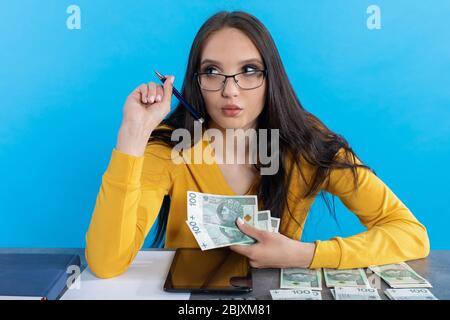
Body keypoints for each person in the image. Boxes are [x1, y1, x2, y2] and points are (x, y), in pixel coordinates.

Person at [85, 11, 429, 279]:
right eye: (212, 71)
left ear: (271, 78)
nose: (230, 90)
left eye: (249, 70)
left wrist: (303, 255)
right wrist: (132, 137)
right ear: (195, 80)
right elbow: (106, 262)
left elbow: (411, 234)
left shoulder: (309, 144)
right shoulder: (171, 147)